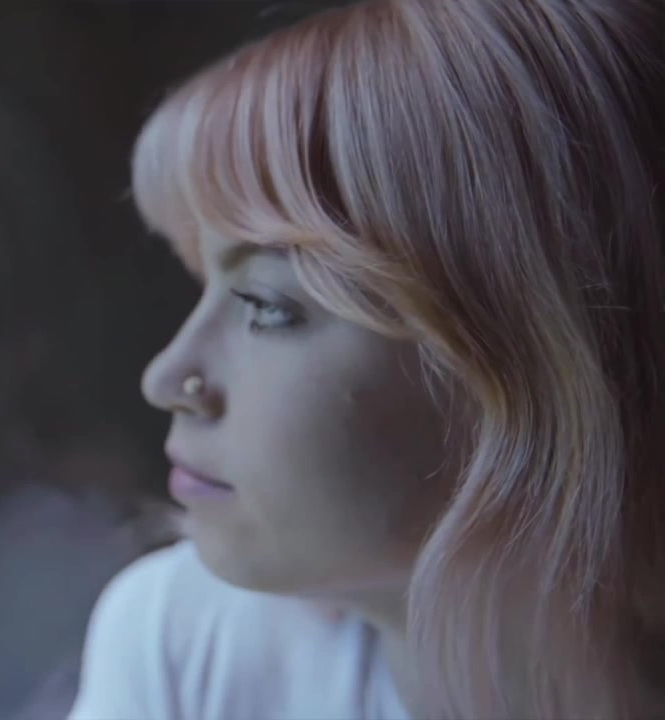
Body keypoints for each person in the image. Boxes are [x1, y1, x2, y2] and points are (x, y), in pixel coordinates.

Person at [69, 1, 665, 718]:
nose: (167, 378)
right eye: (206, 286)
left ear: (536, 372)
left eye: (265, 306)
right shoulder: (188, 646)